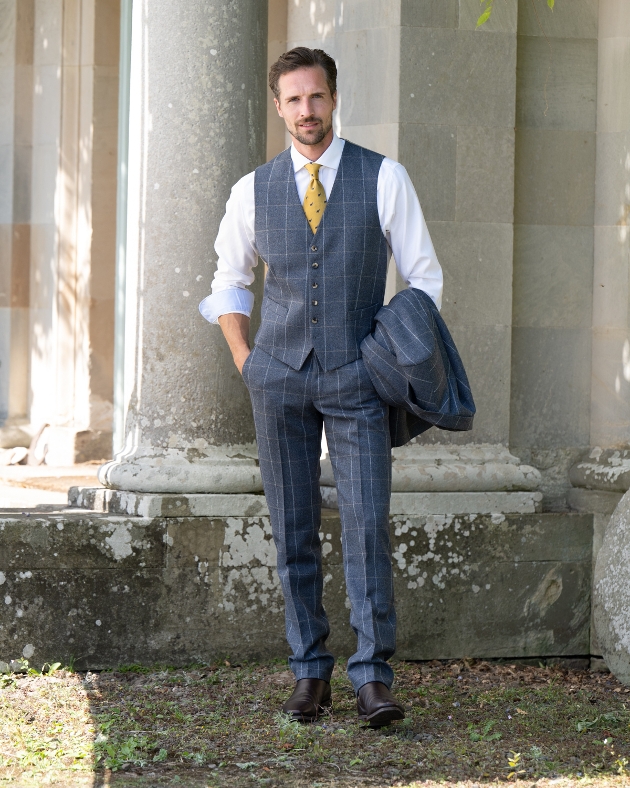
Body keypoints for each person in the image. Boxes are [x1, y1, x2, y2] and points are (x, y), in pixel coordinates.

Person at [200, 47, 443, 727]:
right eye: (293, 100)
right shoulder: (253, 188)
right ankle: (310, 672)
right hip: (276, 375)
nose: (306, 111)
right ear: (278, 107)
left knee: (368, 525)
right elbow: (228, 277)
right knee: (293, 526)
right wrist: (247, 359)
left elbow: (423, 279)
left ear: (333, 99)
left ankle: (372, 677)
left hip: (357, 376)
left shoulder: (383, 176)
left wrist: (381, 357)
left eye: (317, 97)